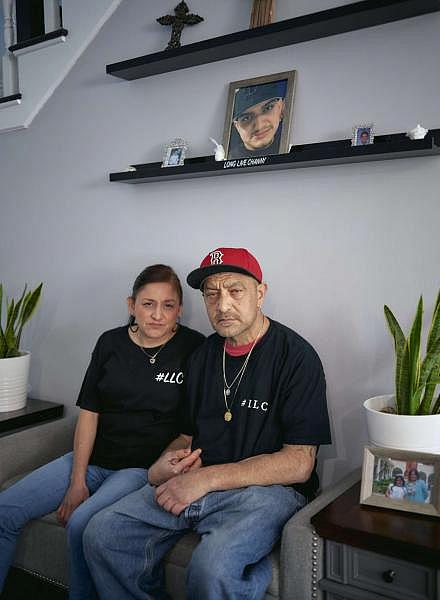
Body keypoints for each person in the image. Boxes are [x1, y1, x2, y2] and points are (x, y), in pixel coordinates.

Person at [83, 247, 332, 600]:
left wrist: (207, 479)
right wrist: (163, 465)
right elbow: (185, 435)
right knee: (103, 533)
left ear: (260, 293)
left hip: (266, 493)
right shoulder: (202, 356)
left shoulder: (296, 356)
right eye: (211, 293)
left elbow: (299, 463)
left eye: (235, 290)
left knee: (212, 567)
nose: (223, 304)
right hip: (198, 484)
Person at [0, 264, 204, 600]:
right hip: (93, 459)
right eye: (147, 304)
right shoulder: (110, 342)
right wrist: (77, 480)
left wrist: (158, 470)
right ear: (131, 305)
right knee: (5, 510)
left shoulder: (194, 349)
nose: (157, 315)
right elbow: (89, 414)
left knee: (82, 525)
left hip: (141, 469)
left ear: (179, 309)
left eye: (168, 305)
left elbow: (189, 431)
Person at [228, 80, 287, 159]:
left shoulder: (290, 147)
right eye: (246, 118)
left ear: (281, 108)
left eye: (268, 108)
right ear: (236, 126)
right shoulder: (227, 157)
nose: (259, 126)